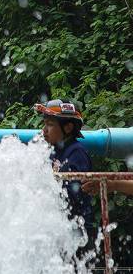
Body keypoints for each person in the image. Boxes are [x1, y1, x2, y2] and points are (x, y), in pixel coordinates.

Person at [35, 99, 94, 247]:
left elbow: (73, 195)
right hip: (59, 229)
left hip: (77, 232)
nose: (44, 130)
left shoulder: (76, 152)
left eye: (50, 124)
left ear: (67, 128)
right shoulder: (53, 152)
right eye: (44, 124)